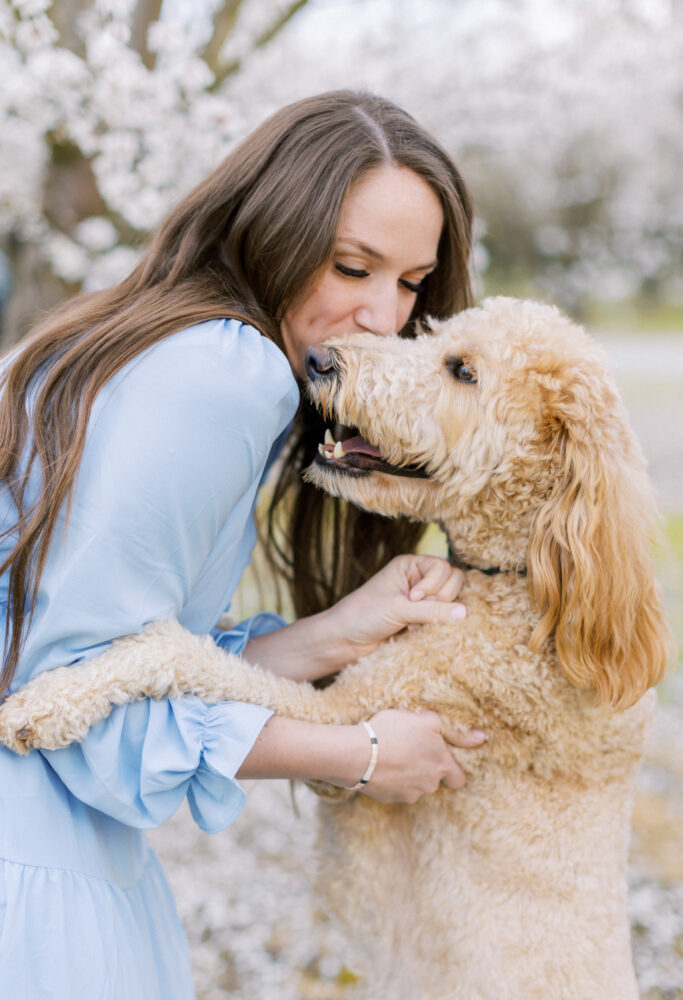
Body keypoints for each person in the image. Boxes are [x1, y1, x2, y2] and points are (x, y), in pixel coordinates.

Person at [0, 90, 485, 998]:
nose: (384, 315)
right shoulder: (225, 374)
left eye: (412, 282)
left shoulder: (153, 343)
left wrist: (335, 633)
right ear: (272, 231)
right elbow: (67, 709)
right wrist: (363, 754)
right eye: (351, 267)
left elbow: (131, 658)